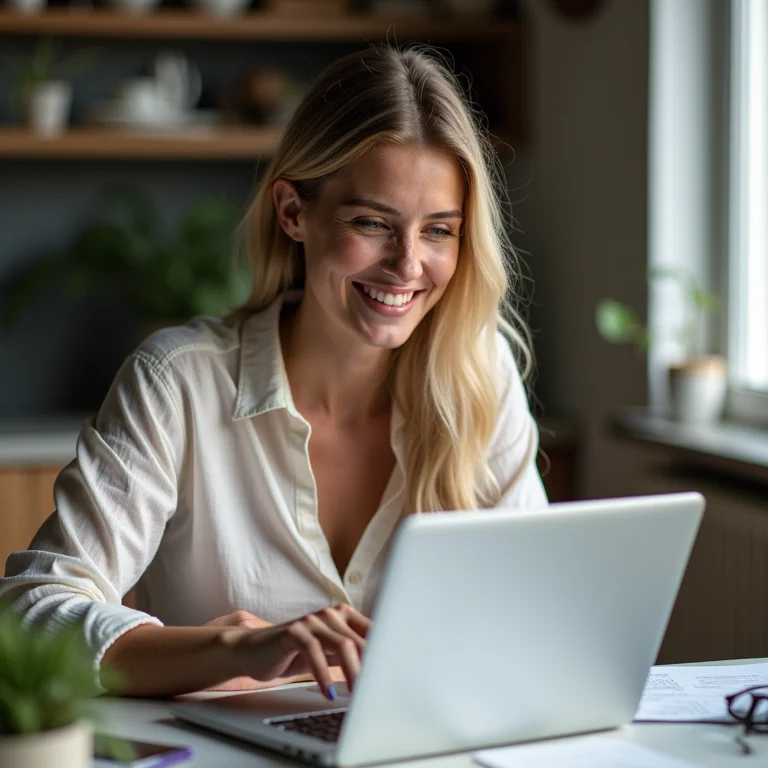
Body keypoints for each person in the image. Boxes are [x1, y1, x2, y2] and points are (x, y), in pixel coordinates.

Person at [0, 45, 547, 702]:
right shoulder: (180, 383)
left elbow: (532, 616)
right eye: (372, 223)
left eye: (438, 231)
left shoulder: (477, 375)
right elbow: (31, 611)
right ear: (293, 212)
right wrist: (238, 648)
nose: (407, 265)